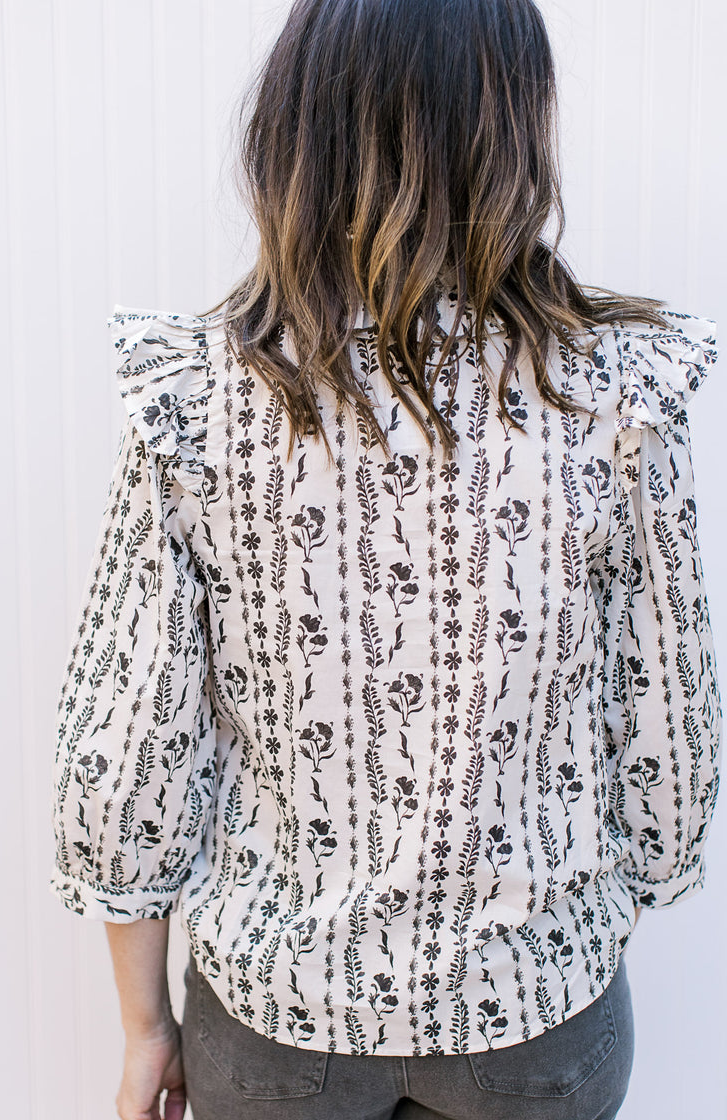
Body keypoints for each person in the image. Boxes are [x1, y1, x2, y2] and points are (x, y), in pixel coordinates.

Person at [50, 1, 722, 1118]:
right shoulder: (612, 397)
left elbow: (125, 752)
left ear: (295, 135)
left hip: (274, 1020)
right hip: (537, 1022)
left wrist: (142, 1029)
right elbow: (670, 743)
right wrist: (552, 945)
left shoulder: (201, 395)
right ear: (513, 134)